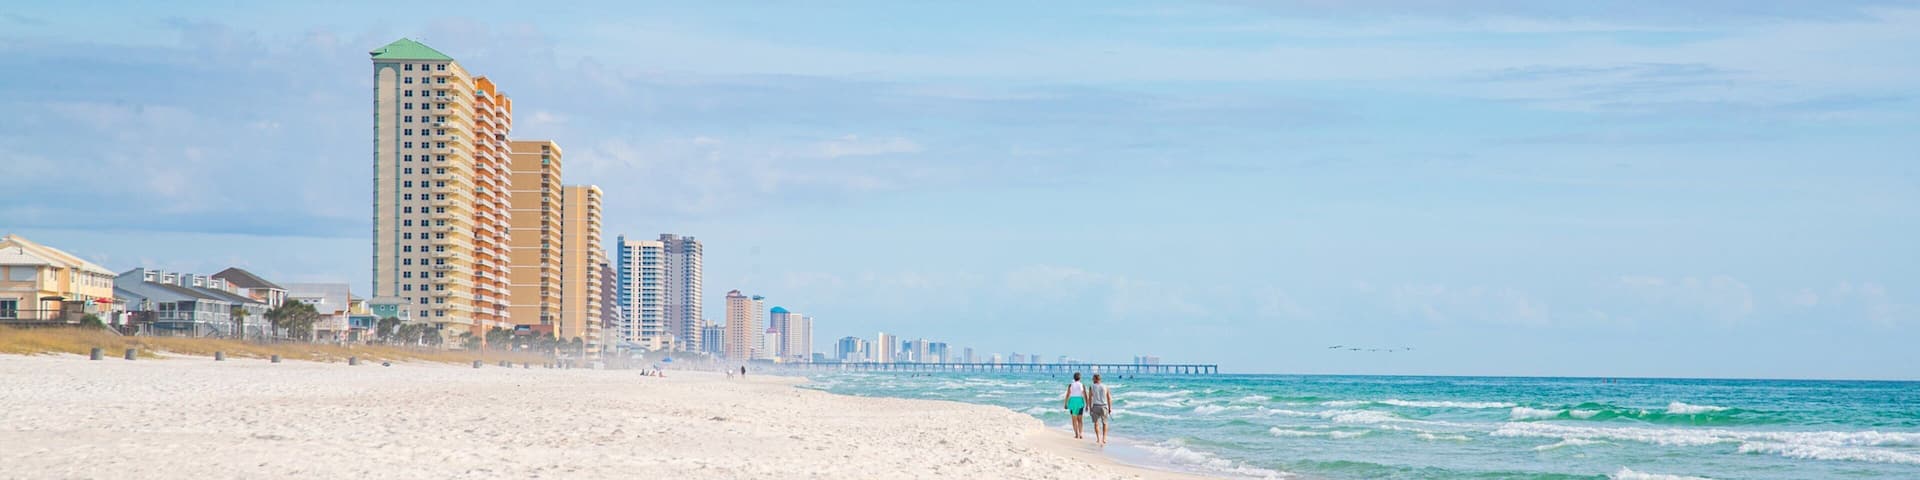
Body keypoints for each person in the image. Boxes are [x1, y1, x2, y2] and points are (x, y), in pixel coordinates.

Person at [1087, 374, 1113, 446]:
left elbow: (1090, 398)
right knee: (1105, 423)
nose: (1092, 380)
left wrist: (1090, 407)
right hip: (1104, 406)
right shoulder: (1105, 386)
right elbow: (1109, 398)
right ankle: (1104, 438)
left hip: (1095, 406)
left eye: (1093, 378)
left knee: (1096, 423)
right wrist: (1110, 408)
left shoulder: (1091, 386)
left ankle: (1098, 438)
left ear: (1095, 379)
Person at [1064, 372, 1088, 439]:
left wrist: (1065, 403)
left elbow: (1068, 394)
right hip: (1080, 402)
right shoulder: (1082, 385)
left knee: (1074, 419)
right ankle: (1080, 434)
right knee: (1080, 419)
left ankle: (1076, 434)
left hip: (1072, 402)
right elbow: (1085, 395)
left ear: (1074, 378)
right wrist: (1087, 405)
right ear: (1080, 378)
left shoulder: (1070, 385)